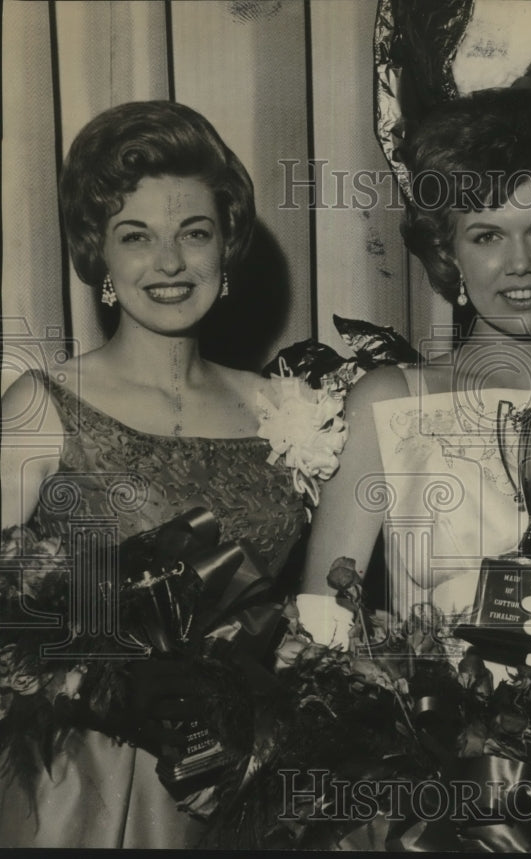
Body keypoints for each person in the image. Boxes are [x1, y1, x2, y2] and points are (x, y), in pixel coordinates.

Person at [0, 101, 308, 848]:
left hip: (256, 780)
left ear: (226, 244)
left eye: (193, 233)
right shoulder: (42, 406)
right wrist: (100, 687)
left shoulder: (285, 409)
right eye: (135, 237)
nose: (169, 263)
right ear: (98, 253)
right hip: (89, 789)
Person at [301, 87, 531, 674]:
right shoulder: (391, 402)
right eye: (487, 235)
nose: (521, 262)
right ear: (449, 255)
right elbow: (319, 639)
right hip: (426, 756)